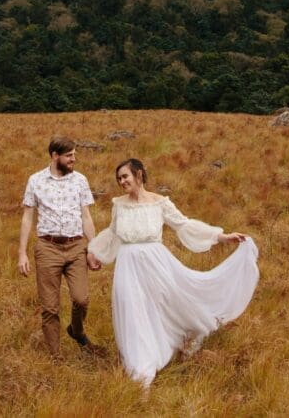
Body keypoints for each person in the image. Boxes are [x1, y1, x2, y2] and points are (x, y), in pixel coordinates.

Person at [88, 158, 259, 387]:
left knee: (165, 304)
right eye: (119, 178)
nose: (121, 181)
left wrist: (221, 236)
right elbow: (112, 233)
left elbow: (184, 225)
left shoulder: (160, 203)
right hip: (127, 266)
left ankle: (178, 340)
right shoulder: (119, 204)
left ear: (139, 175)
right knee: (131, 309)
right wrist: (94, 252)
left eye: (125, 176)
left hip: (156, 264)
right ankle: (141, 366)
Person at [18, 135, 102, 358]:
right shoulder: (35, 180)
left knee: (81, 299)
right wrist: (22, 254)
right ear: (55, 156)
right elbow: (27, 217)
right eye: (69, 155)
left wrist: (93, 248)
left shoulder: (80, 180)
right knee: (50, 308)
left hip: (76, 247)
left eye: (74, 154)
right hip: (47, 248)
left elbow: (86, 216)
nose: (74, 159)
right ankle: (55, 357)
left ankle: (76, 330)